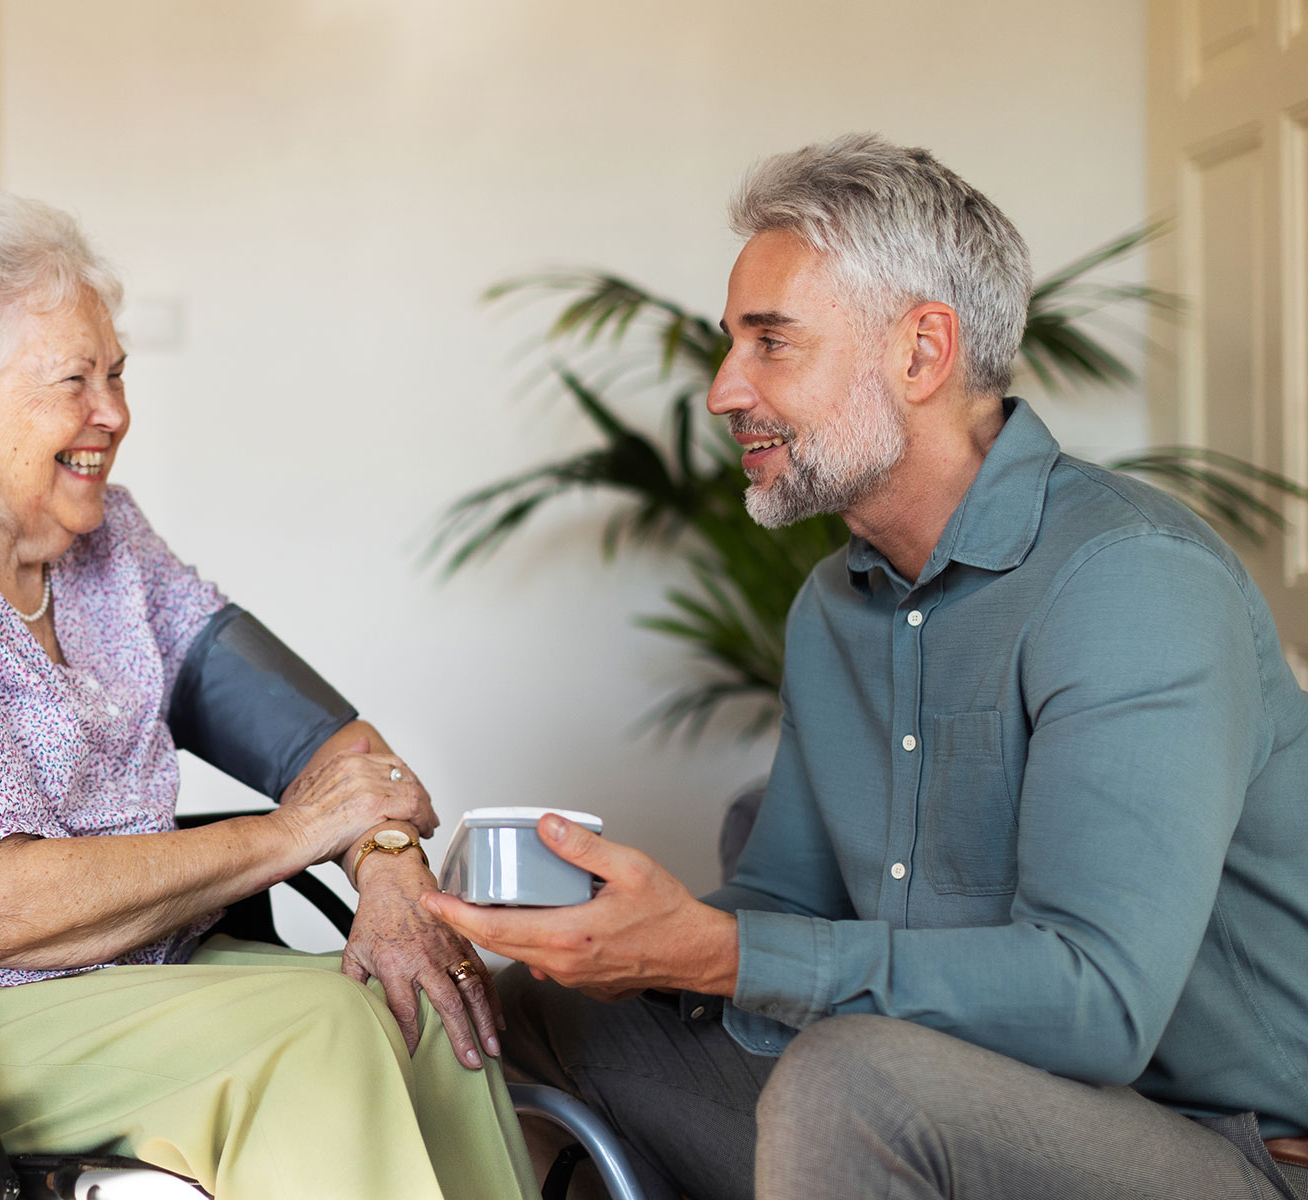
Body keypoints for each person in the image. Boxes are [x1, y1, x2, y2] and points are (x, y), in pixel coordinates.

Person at [422, 134, 1308, 1200]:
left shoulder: (1130, 580)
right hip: (956, 1093)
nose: (722, 391)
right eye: (729, 344)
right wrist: (630, 940)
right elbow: (781, 898)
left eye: (771, 343)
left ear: (922, 353)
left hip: (1227, 1149)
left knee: (856, 1081)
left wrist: (719, 956)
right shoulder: (836, 607)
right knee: (533, 1014)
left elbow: (1100, 1003)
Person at [0, 189, 537, 1200]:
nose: (112, 413)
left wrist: (385, 868)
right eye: (73, 380)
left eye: (115, 374)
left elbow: (326, 746)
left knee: (416, 998)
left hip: (128, 981)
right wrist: (296, 837)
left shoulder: (111, 543)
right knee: (320, 1030)